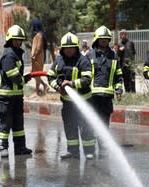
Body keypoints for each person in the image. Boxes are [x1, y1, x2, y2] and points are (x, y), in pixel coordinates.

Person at [47, 32, 95, 160]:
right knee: (70, 127)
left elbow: (87, 79)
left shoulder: (83, 60)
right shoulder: (59, 60)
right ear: (62, 48)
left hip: (84, 101)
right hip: (67, 103)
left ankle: (89, 151)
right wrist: (57, 87)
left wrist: (71, 84)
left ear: (76, 48)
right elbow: (50, 76)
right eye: (66, 48)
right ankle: (73, 151)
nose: (68, 50)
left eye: (71, 48)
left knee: (86, 128)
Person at [0, 25, 33, 158]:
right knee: (6, 123)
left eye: (20, 40)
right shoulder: (8, 55)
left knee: (18, 123)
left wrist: (24, 78)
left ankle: (20, 147)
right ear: (10, 40)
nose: (18, 42)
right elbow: (13, 75)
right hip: (6, 97)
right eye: (15, 39)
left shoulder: (16, 53)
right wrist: (24, 79)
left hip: (16, 96)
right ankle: (3, 147)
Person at [86, 26, 123, 157]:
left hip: (107, 96)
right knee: (91, 122)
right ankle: (90, 149)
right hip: (92, 96)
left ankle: (102, 146)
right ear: (97, 40)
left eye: (106, 39)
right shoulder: (89, 55)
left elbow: (118, 75)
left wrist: (118, 89)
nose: (104, 41)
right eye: (101, 39)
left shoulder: (113, 56)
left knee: (104, 122)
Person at [29, 18, 49, 97]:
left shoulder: (40, 35)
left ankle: (36, 92)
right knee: (34, 74)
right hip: (37, 57)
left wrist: (34, 56)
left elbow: (39, 47)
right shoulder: (39, 34)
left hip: (37, 58)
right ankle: (45, 86)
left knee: (36, 74)